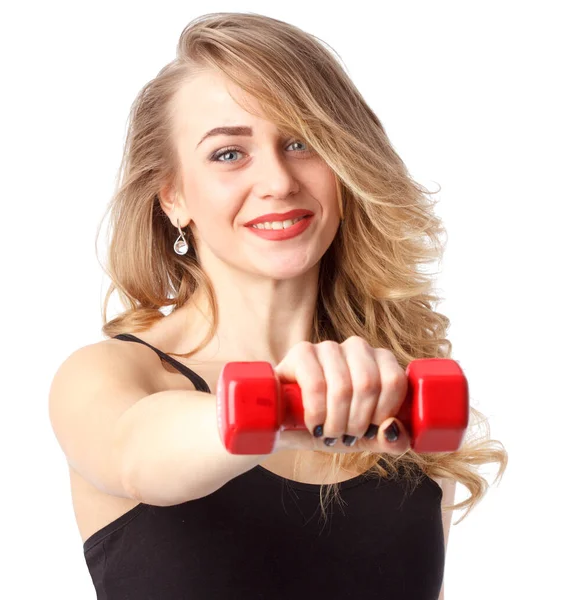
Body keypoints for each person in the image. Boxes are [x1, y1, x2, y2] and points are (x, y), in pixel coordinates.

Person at [48, 12, 508, 600]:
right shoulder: (113, 376)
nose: (279, 180)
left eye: (301, 142)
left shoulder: (394, 396)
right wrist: (282, 418)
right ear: (174, 195)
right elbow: (137, 455)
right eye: (228, 154)